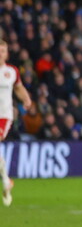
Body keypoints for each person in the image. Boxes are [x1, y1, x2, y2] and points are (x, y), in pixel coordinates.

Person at [0, 40, 33, 206]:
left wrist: (26, 99)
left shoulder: (11, 71)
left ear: (7, 53)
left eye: (3, 51)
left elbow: (18, 88)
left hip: (4, 116)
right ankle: (6, 181)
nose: (0, 53)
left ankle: (6, 180)